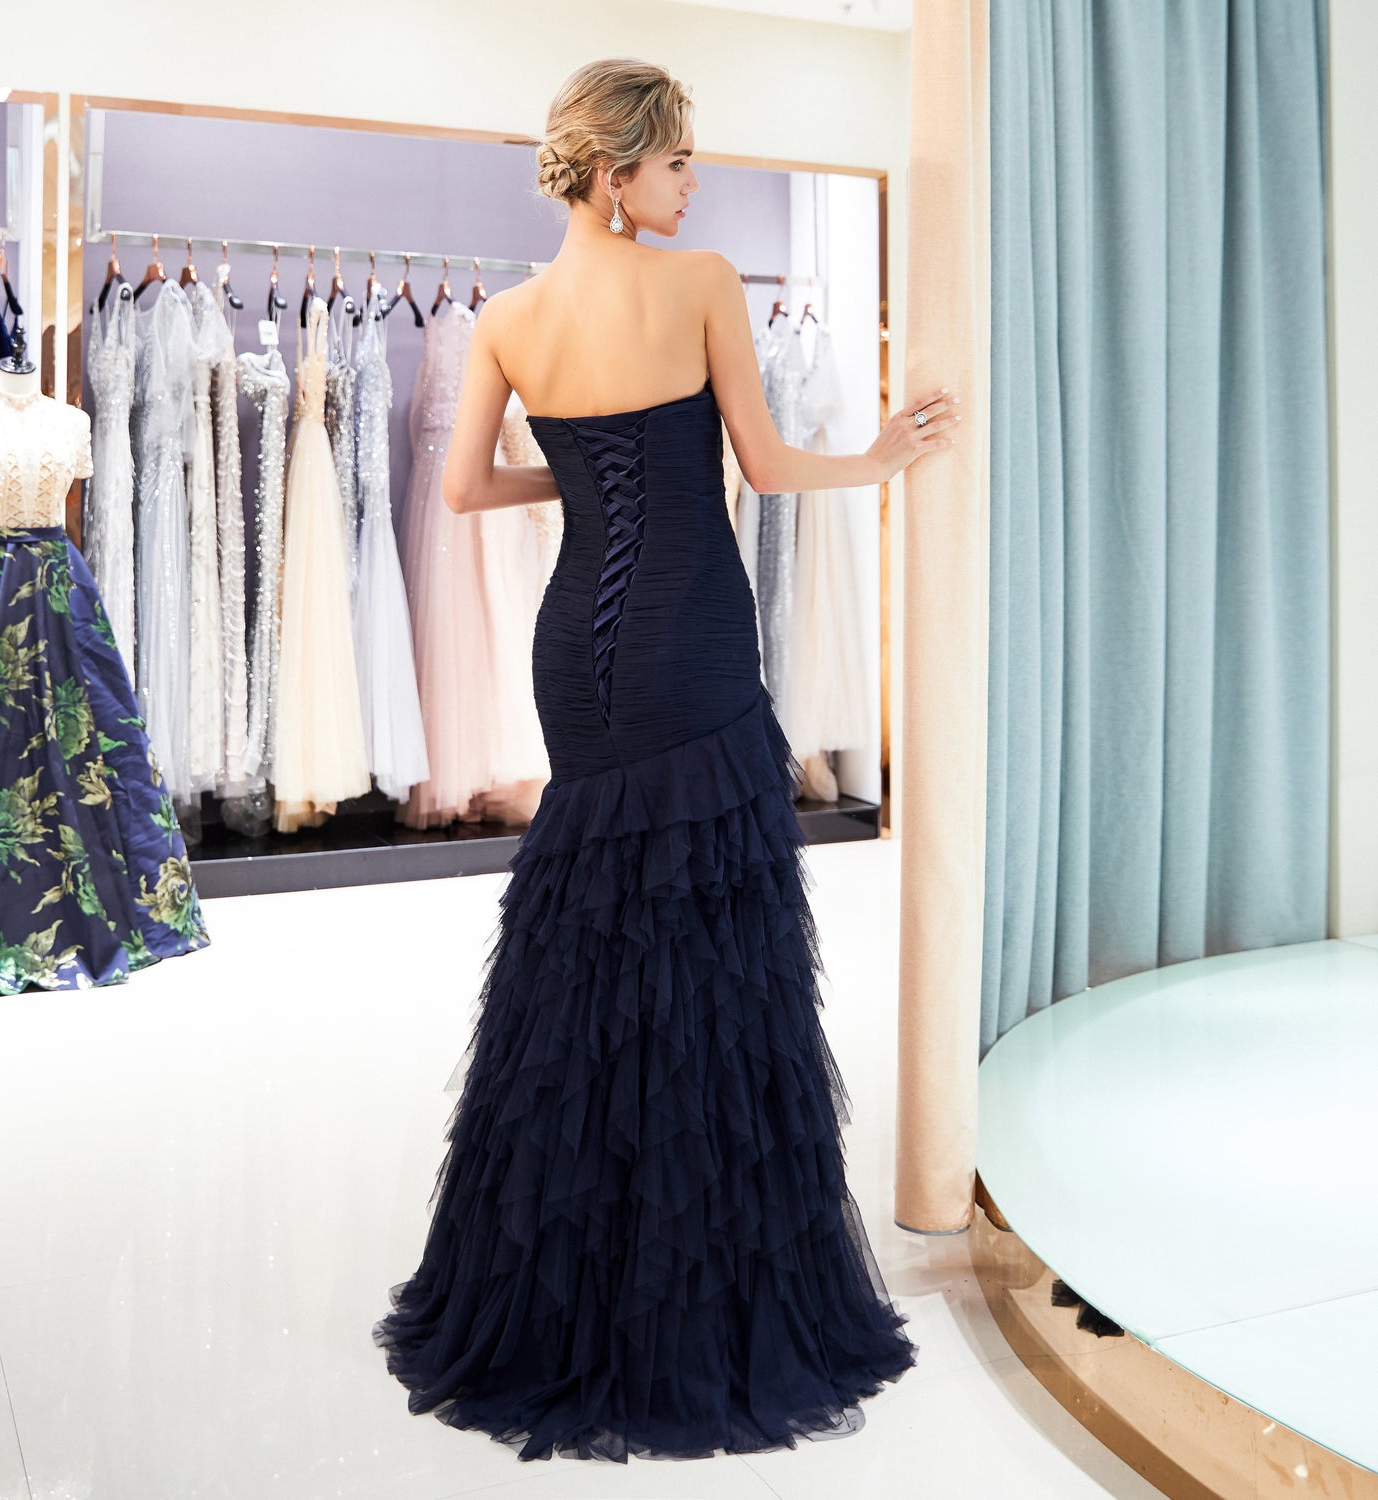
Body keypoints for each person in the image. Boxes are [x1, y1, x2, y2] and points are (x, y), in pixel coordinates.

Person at [373, 56, 961, 1463]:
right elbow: (765, 465)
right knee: (713, 947)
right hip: (690, 639)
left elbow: (462, 486)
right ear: (616, 170)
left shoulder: (508, 318)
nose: (695, 183)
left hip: (578, 653)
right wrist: (882, 456)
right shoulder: (698, 285)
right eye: (680, 160)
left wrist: (578, 473)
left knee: (586, 947)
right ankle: (712, 1282)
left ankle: (559, 1293)